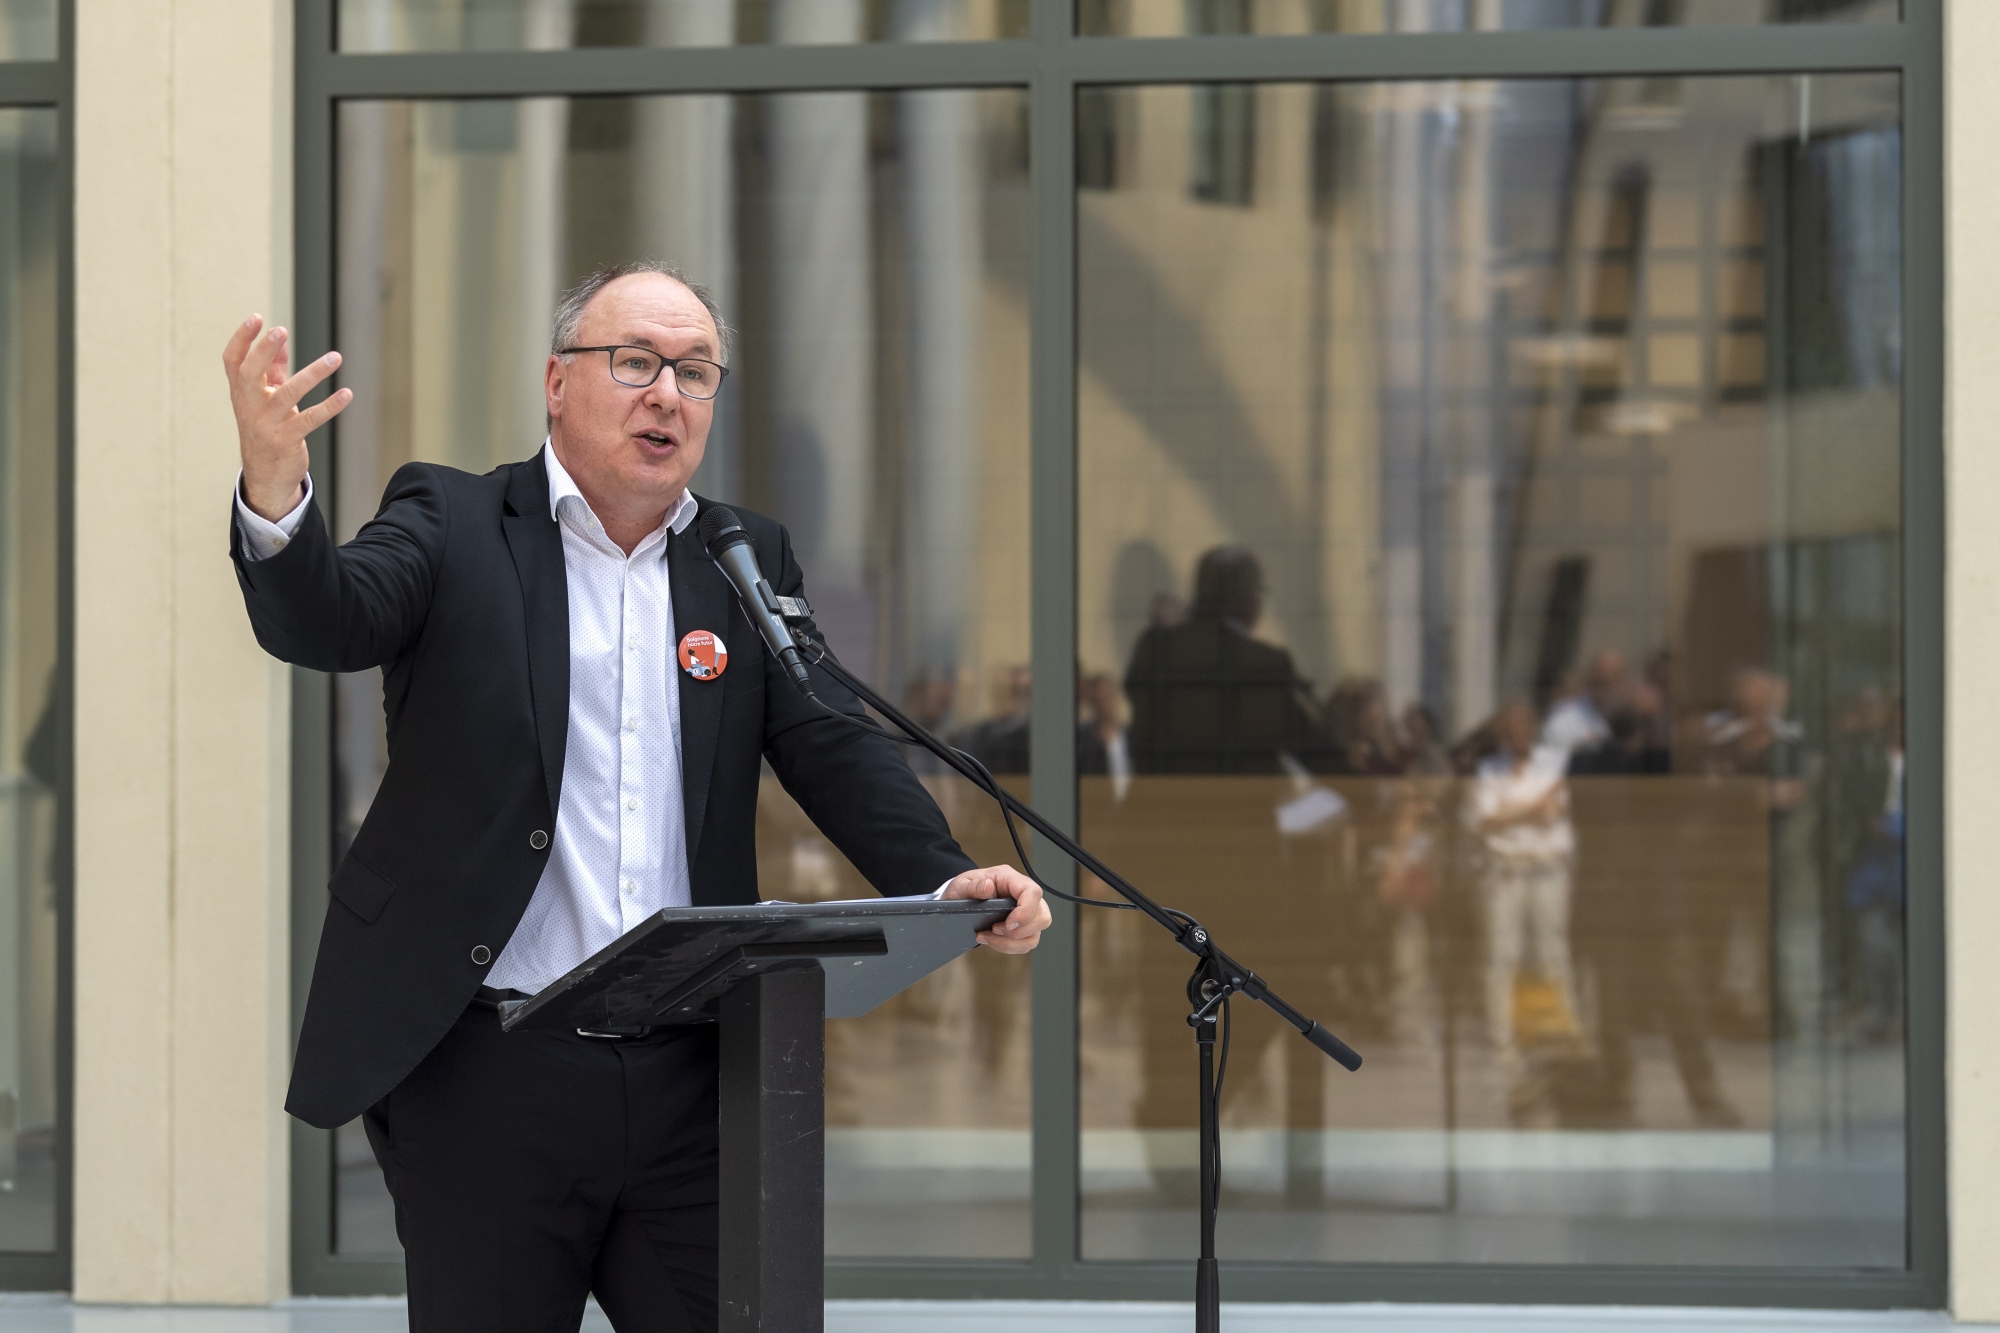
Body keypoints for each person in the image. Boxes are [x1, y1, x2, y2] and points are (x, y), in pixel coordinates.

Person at [222, 261, 1050, 1333]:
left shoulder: (740, 557)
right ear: (558, 383)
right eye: (636, 362)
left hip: (692, 1065)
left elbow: (829, 742)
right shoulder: (453, 518)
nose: (667, 392)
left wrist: (942, 876)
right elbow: (327, 621)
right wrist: (276, 494)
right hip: (489, 1063)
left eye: (695, 371)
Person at [1122, 546, 1321, 774]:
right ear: (1250, 598)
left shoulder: (1153, 648)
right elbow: (1313, 749)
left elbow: (1139, 737)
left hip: (1161, 805)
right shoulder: (1265, 661)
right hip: (1241, 806)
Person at [1467, 700, 1581, 1080]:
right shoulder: (1489, 769)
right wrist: (1530, 809)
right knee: (1502, 956)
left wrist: (1511, 812)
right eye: (1510, 729)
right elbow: (1484, 821)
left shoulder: (1553, 762)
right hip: (1505, 871)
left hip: (1547, 867)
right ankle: (1501, 1039)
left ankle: (1558, 1035)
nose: (1519, 735)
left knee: (1552, 952)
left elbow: (1554, 812)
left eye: (1524, 727)